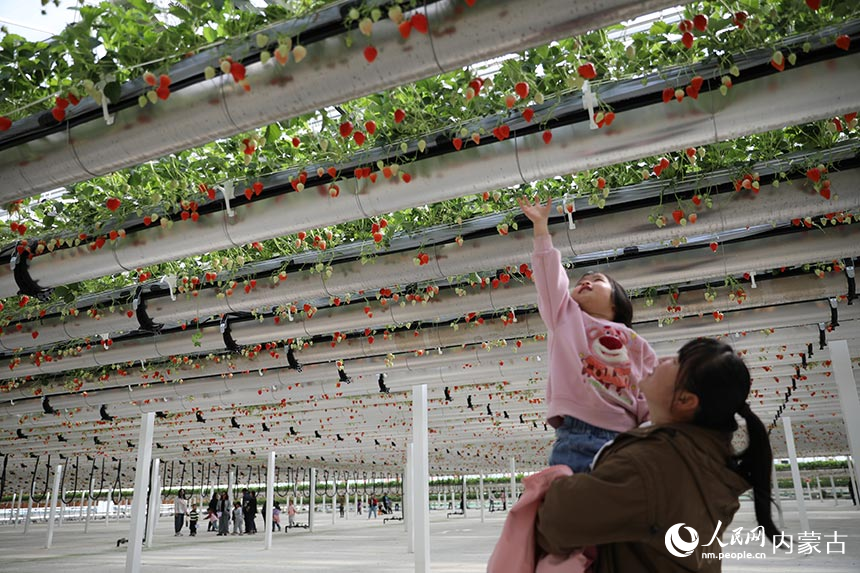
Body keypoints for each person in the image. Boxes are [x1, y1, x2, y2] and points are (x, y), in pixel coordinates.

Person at [529, 338, 780, 572]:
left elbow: (556, 523)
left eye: (677, 361)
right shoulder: (701, 456)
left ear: (685, 400)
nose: (663, 359)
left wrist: (554, 482)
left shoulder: (656, 464)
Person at [518, 195, 657, 473]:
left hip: (626, 439)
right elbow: (549, 280)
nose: (586, 281)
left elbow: (650, 393)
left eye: (597, 280)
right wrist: (541, 229)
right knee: (574, 512)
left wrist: (651, 435)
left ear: (617, 301)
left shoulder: (635, 343)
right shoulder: (565, 317)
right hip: (574, 439)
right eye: (582, 280)